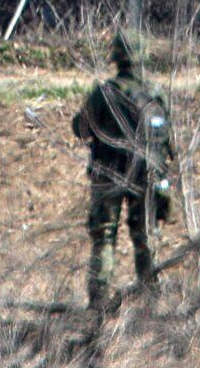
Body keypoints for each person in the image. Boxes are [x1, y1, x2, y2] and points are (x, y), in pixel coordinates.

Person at [74, 32, 177, 311]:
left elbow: (80, 128)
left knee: (104, 237)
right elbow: (170, 142)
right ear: (142, 56)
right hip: (149, 174)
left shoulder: (105, 93)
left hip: (108, 174)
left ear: (116, 57)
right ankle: (150, 300)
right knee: (145, 236)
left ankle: (98, 300)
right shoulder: (155, 93)